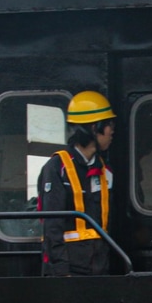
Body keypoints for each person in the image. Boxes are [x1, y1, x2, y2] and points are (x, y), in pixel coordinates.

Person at [37, 91, 116, 276]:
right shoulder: (57, 168)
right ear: (95, 128)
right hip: (68, 272)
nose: (112, 130)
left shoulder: (105, 171)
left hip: (99, 269)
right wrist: (62, 273)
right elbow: (52, 226)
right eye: (109, 124)